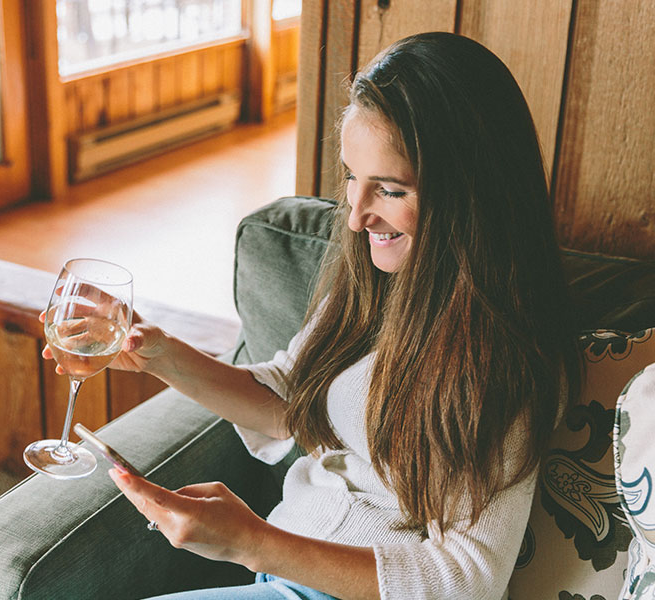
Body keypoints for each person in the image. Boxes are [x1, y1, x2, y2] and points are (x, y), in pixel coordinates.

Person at [43, 32, 583, 599]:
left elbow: (465, 580)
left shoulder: (503, 359)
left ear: (470, 194)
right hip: (283, 573)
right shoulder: (379, 279)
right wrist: (159, 354)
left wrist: (250, 541)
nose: (355, 216)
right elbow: (289, 403)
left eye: (390, 190)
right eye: (351, 177)